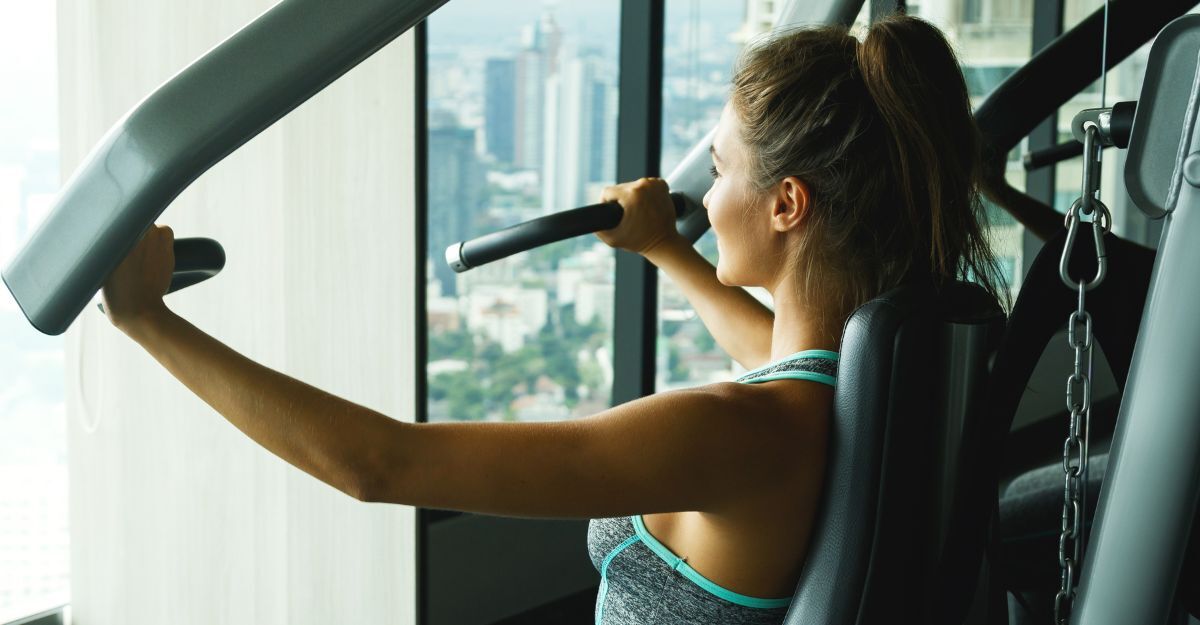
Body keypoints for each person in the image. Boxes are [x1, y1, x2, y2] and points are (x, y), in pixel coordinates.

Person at [98, 13, 1006, 625]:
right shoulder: (864, 379)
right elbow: (771, 351)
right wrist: (666, 250)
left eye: (722, 169)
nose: (706, 191)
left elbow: (380, 464)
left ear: (787, 204)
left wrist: (150, 322)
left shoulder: (729, 435)